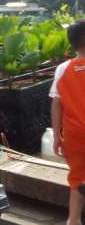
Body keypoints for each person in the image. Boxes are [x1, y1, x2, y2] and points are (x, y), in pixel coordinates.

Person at [50, 20, 85, 225]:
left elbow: (56, 104)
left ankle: (73, 219)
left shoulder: (63, 68)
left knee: (78, 178)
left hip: (74, 134)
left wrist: (57, 135)